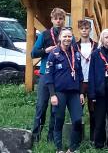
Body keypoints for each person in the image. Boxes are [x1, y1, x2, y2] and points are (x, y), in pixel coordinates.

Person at [30, 7, 67, 143]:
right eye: (56, 18)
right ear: (52, 20)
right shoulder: (45, 35)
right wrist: (46, 50)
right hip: (46, 75)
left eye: (61, 18)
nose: (58, 21)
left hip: (61, 76)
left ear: (64, 20)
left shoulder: (67, 35)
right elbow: (33, 53)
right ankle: (35, 138)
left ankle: (51, 139)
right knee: (41, 106)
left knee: (55, 109)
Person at [46, 27, 84, 153]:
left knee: (77, 119)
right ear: (60, 38)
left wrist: (81, 92)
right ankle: (58, 148)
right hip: (59, 92)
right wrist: (52, 95)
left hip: (74, 92)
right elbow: (48, 75)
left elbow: (80, 75)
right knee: (59, 119)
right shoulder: (54, 53)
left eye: (69, 36)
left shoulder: (76, 53)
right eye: (65, 36)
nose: (67, 39)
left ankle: (72, 148)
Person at [77, 19, 97, 141]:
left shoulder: (96, 45)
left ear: (90, 30)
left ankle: (93, 138)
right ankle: (78, 138)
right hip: (80, 81)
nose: (84, 31)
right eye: (82, 28)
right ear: (79, 30)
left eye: (87, 28)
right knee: (78, 110)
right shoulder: (74, 46)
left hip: (92, 81)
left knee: (93, 110)